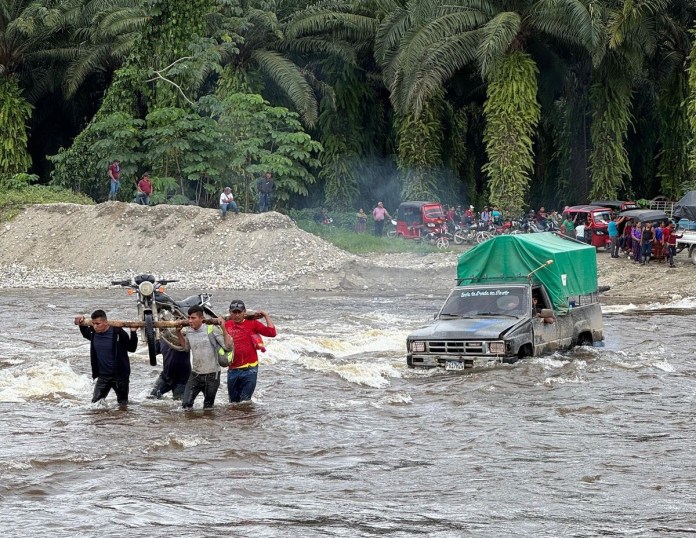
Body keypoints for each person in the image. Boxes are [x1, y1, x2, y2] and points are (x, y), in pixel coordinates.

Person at [74, 310, 138, 406]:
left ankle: (122, 421)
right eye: (93, 323)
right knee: (95, 404)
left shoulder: (118, 332)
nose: (95, 326)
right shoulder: (92, 332)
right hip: (103, 376)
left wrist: (133, 332)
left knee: (123, 405)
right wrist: (80, 321)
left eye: (98, 324)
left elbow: (132, 348)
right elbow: (84, 333)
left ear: (105, 322)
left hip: (120, 376)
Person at [175, 306, 233, 409]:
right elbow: (186, 348)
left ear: (201, 318)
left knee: (208, 408)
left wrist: (223, 328)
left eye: (193, 318)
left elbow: (227, 347)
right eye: (188, 318)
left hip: (212, 375)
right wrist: (178, 332)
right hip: (195, 374)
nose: (190, 321)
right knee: (186, 405)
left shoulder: (211, 329)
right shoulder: (188, 331)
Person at [224, 300, 277, 403]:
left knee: (245, 402)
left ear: (244, 312)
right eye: (234, 312)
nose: (237, 315)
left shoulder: (253, 323)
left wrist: (266, 315)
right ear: (230, 313)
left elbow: (272, 333)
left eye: (239, 312)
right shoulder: (226, 325)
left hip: (250, 369)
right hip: (233, 369)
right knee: (233, 403)